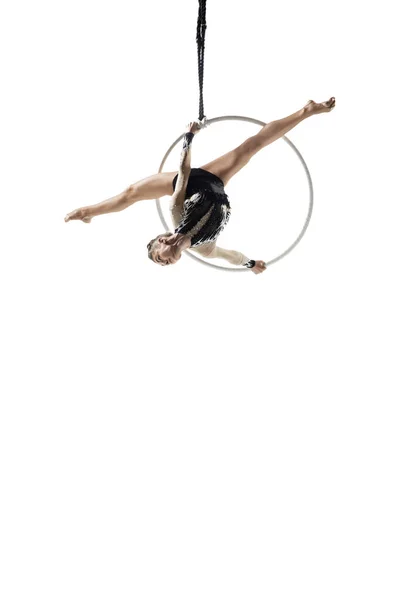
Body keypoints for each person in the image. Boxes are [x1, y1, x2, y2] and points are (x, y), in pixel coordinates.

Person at [65, 97, 336, 274]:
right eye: (164, 264)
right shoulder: (205, 249)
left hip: (187, 183)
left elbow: (183, 174)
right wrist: (251, 264)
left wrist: (189, 137)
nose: (164, 262)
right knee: (251, 147)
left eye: (158, 258)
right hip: (215, 186)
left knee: (132, 193)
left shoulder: (175, 215)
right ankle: (308, 110)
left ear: (161, 241)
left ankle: (88, 212)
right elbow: (230, 256)